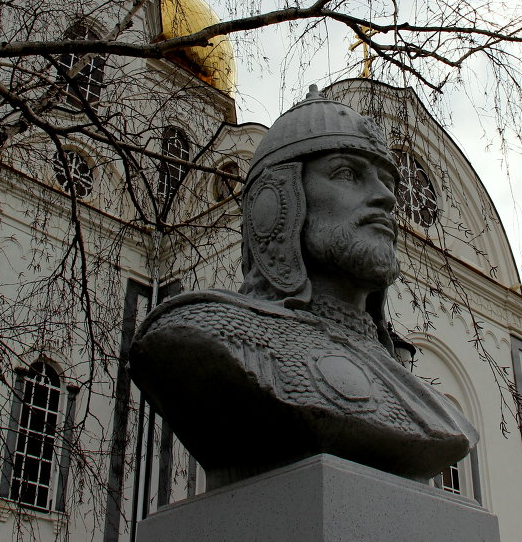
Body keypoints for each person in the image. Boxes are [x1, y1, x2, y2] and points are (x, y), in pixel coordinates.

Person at [130, 87, 477, 490]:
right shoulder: (205, 333)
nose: (384, 197)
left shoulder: (430, 404)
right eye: (347, 173)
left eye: (386, 181)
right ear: (277, 203)